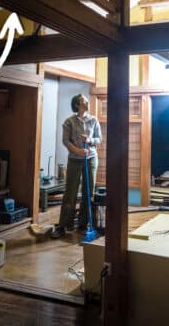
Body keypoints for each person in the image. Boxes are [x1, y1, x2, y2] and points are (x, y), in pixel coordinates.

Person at [51, 94, 102, 239]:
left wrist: (90, 140)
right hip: (74, 159)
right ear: (77, 105)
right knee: (70, 193)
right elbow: (65, 141)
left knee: (88, 192)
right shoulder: (69, 122)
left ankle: (83, 225)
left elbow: (100, 139)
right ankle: (63, 226)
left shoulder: (93, 120)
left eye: (86, 100)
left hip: (91, 159)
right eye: (83, 101)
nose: (86, 102)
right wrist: (78, 150)